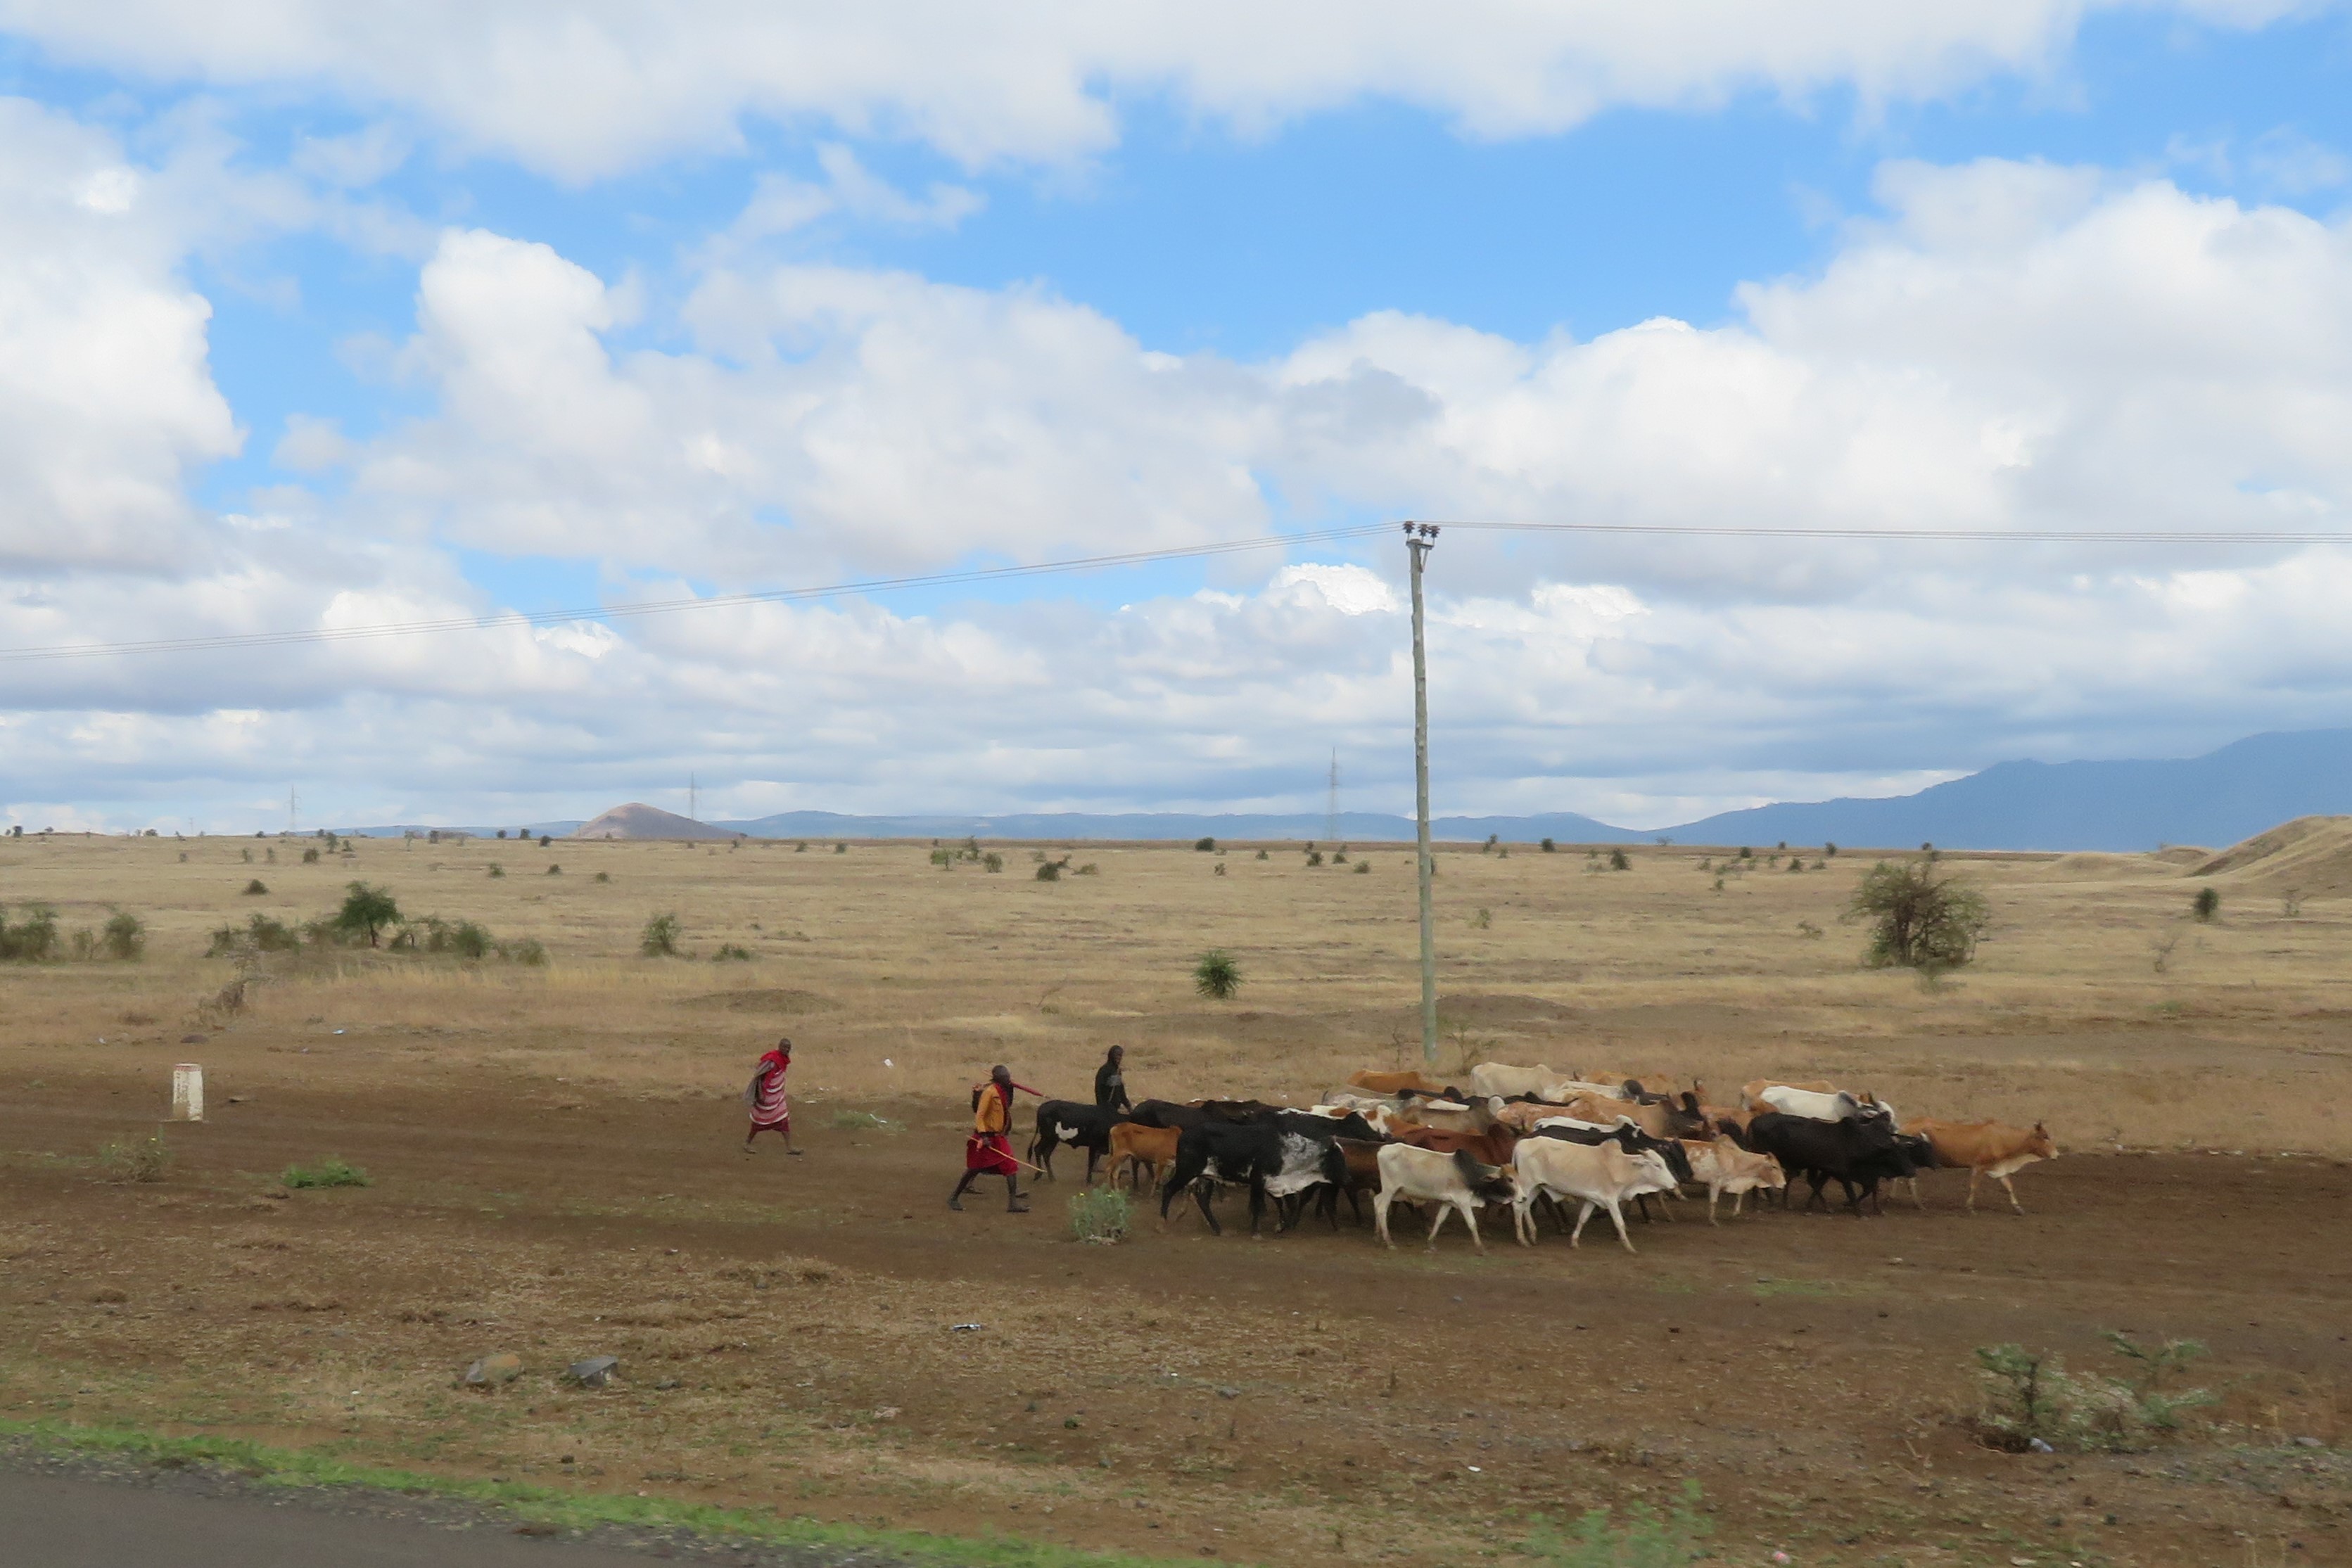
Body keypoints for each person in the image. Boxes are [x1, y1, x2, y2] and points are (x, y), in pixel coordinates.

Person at [950, 1064, 1030, 1212]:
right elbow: (979, 1115)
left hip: (998, 1137)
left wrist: (1011, 1088)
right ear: (998, 1079)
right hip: (986, 1137)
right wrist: (983, 1136)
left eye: (1009, 1076)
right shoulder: (989, 1093)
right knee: (974, 1169)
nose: (1009, 1079)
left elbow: (1008, 1106)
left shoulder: (1002, 1091)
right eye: (1006, 1077)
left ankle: (1013, 1203)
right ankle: (954, 1198)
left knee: (1011, 1167)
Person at [742, 1037, 798, 1155]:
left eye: (788, 1048)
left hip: (776, 1099)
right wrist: (761, 1093)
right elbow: (759, 1076)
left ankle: (789, 1147)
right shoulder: (772, 1060)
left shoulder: (782, 1060)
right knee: (758, 1124)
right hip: (766, 1098)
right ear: (779, 1047)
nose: (787, 1050)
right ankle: (747, 1143)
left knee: (783, 1120)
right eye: (784, 1047)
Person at [1093, 1044, 1132, 1115]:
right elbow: (1098, 1089)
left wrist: (1128, 1105)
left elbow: (1120, 1089)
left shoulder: (1117, 1070)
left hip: (1115, 1108)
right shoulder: (1104, 1070)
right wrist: (1101, 1107)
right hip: (1106, 1107)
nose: (1119, 1058)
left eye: (1120, 1056)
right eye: (1117, 1055)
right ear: (1111, 1056)